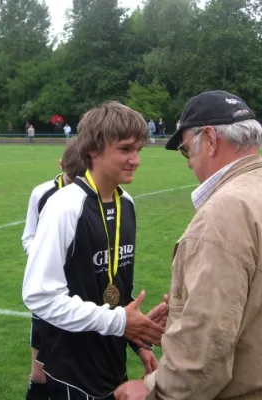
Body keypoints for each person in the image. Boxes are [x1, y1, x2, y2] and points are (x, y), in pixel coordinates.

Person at [115, 90, 262, 400]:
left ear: (210, 139)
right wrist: (185, 305)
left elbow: (206, 347)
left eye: (187, 150)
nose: (188, 163)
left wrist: (151, 390)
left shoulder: (223, 213)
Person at [22, 102, 165, 400]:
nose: (136, 159)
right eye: (125, 149)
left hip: (111, 358)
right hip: (72, 366)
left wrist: (138, 340)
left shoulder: (127, 202)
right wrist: (120, 322)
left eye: (139, 149)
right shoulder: (64, 206)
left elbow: (115, 284)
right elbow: (39, 296)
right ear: (94, 150)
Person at [21, 137, 87, 400]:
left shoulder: (90, 196)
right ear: (60, 165)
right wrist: (44, 255)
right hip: (48, 289)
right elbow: (28, 236)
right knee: (39, 373)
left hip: (79, 292)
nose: (74, 184)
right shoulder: (42, 193)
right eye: (70, 178)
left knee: (74, 371)